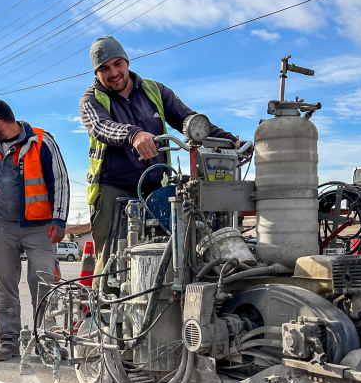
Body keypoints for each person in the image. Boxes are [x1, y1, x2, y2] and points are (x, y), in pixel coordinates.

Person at [78, 35, 249, 279]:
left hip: (154, 185)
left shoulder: (154, 90)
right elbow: (102, 127)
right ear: (97, 73)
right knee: (110, 258)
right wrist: (133, 134)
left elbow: (189, 120)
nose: (113, 72)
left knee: (176, 245)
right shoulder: (91, 100)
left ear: (127, 62)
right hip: (112, 187)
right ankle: (101, 308)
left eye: (117, 64)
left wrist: (232, 141)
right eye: (104, 68)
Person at [0, 99, 70, 361]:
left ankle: (47, 340)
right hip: (2, 226)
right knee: (5, 286)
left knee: (44, 284)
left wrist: (59, 221)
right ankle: (9, 341)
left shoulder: (42, 141)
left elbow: (60, 181)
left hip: (40, 227)